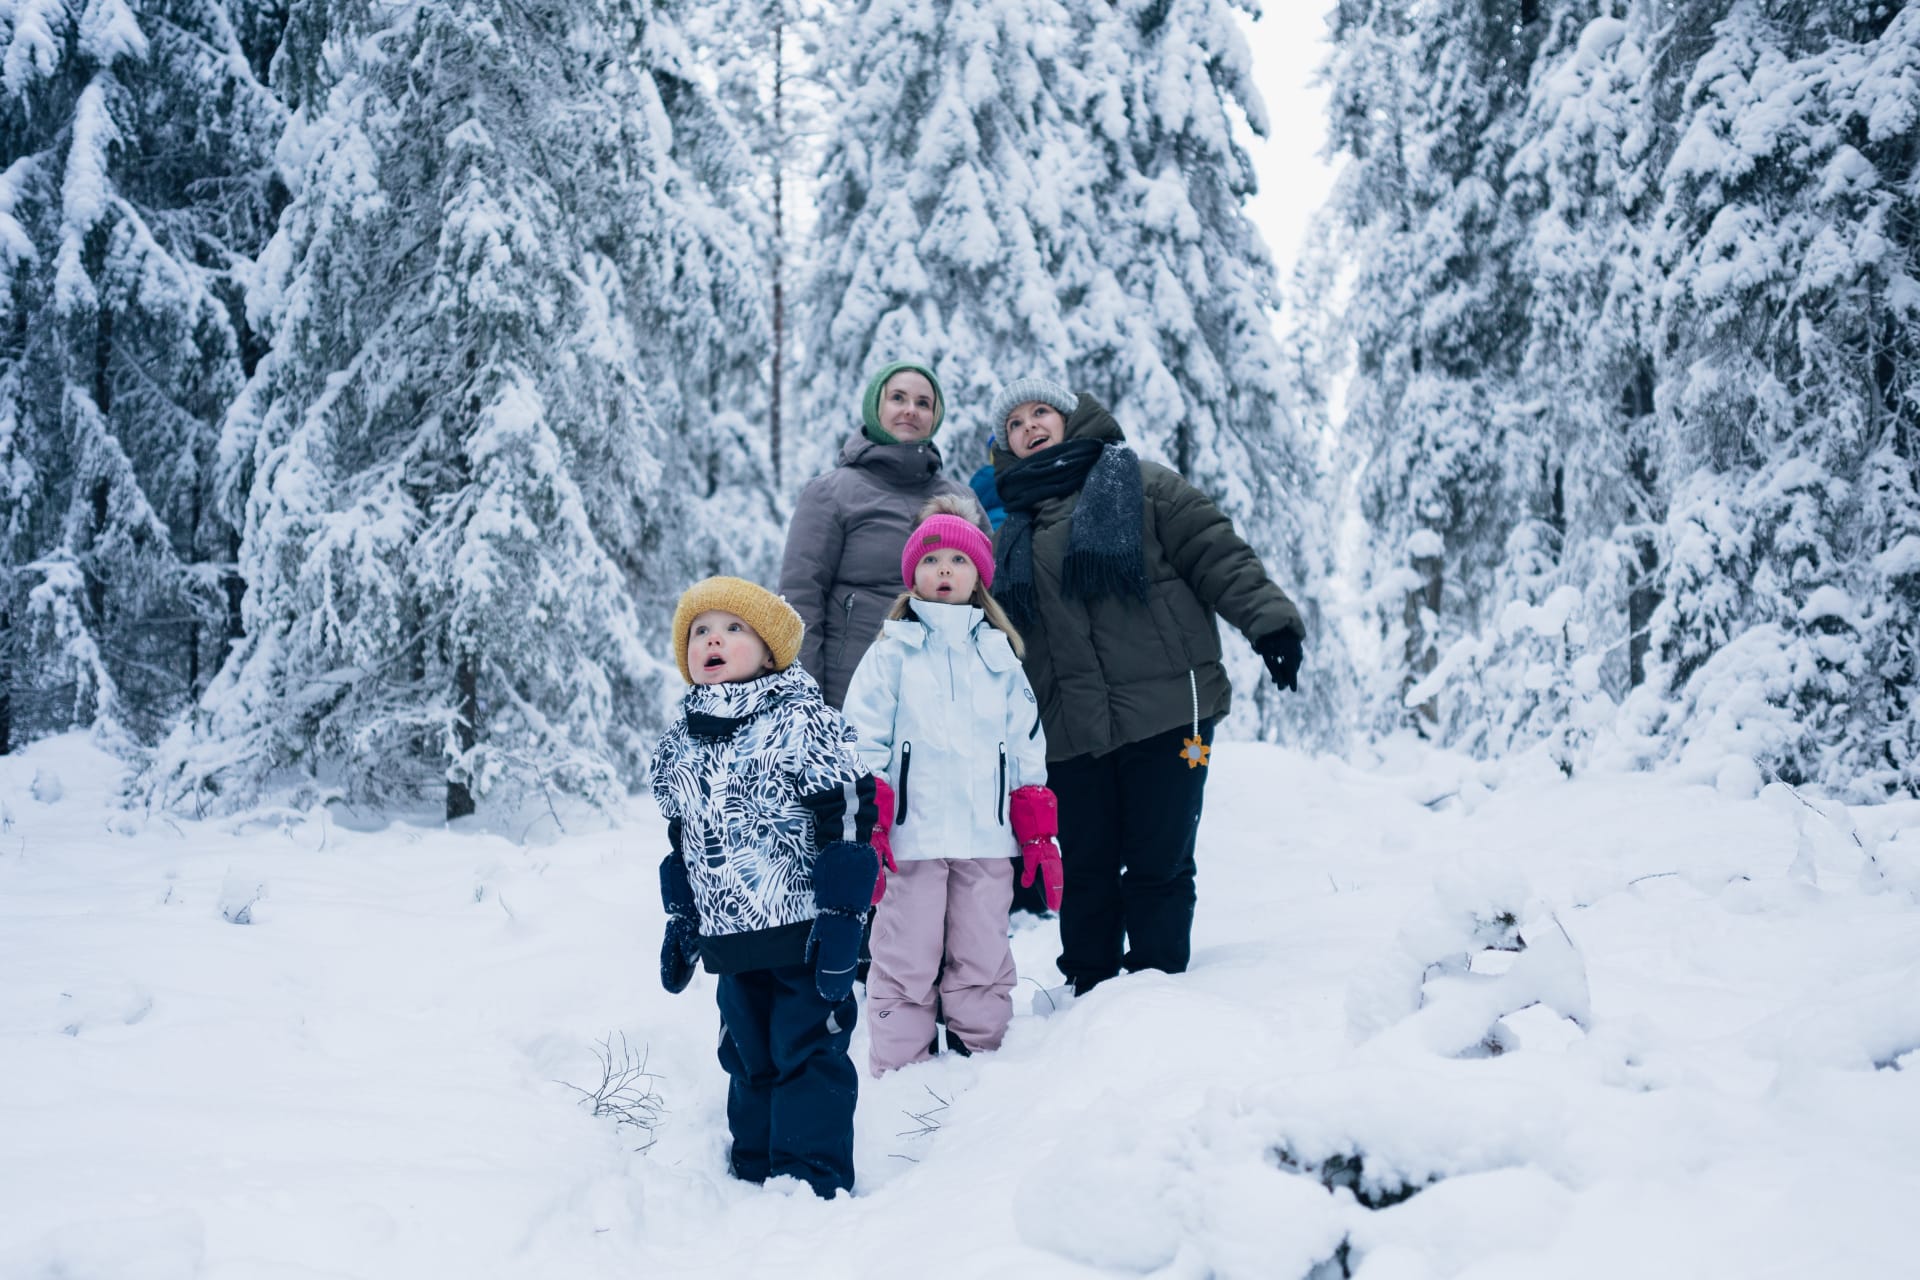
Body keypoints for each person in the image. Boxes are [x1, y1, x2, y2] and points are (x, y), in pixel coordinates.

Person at [985, 378, 1306, 997]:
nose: (1029, 427)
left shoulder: (1141, 484)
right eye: (1015, 424)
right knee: (1088, 864)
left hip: (1171, 714)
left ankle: (1159, 986)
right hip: (1070, 730)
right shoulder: (1011, 532)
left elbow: (1217, 552)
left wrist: (1269, 624)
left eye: (1040, 412)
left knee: (1160, 857)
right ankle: (1090, 985)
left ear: (1071, 419)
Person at [650, 576, 879, 1198]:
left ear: (770, 649)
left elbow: (852, 817)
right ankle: (754, 1166)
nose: (713, 640)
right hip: (730, 935)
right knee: (747, 1051)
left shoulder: (803, 720)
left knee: (808, 1047)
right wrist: (682, 918)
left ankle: (808, 1178)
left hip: (805, 927)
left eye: (732, 628)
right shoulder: (679, 743)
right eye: (700, 632)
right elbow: (683, 839)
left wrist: (842, 916)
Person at [841, 498, 1062, 1072]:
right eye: (932, 558)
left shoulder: (1000, 655)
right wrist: (872, 816)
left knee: (983, 954)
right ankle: (902, 1069)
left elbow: (1026, 744)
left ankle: (980, 1063)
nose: (945, 570)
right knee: (905, 957)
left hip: (986, 842)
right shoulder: (891, 650)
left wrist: (1035, 829)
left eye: (959, 560)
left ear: (979, 576)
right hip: (910, 844)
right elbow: (862, 737)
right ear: (912, 572)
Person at [781, 361, 979, 711]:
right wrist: (807, 704)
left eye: (923, 403)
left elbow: (988, 598)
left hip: (944, 702)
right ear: (876, 406)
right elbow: (800, 603)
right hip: (853, 697)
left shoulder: (959, 501)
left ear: (936, 416)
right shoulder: (831, 493)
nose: (910, 410)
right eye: (897, 398)